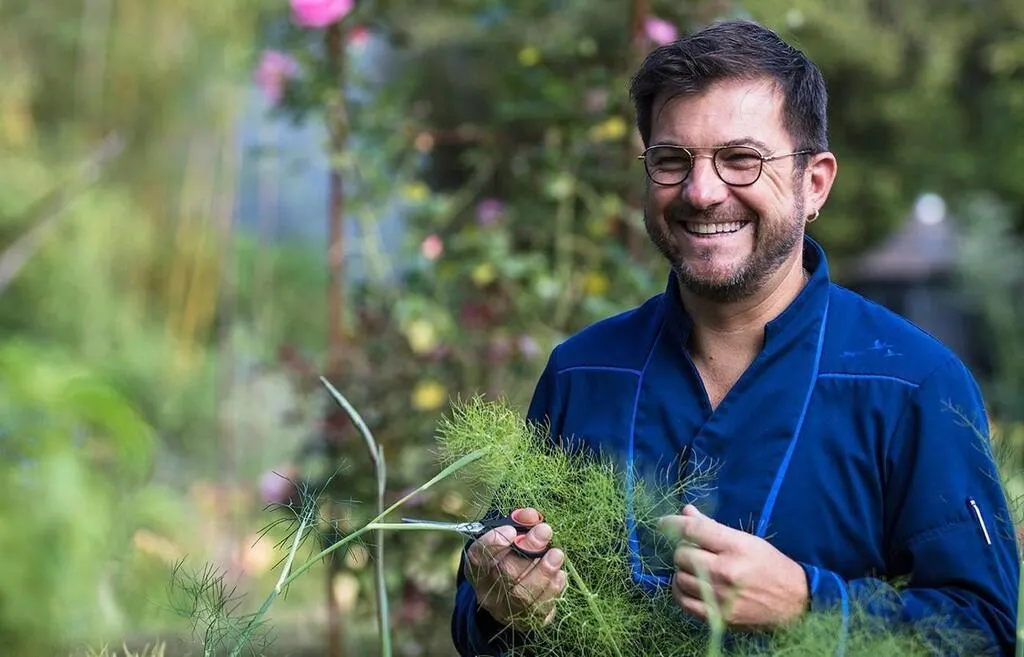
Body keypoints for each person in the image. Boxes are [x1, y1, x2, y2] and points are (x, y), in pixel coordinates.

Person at [450, 18, 1020, 657]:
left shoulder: (913, 384)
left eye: (741, 159)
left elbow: (982, 631)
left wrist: (807, 603)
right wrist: (502, 597)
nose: (701, 191)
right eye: (672, 160)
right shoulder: (583, 373)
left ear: (814, 183)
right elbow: (486, 611)